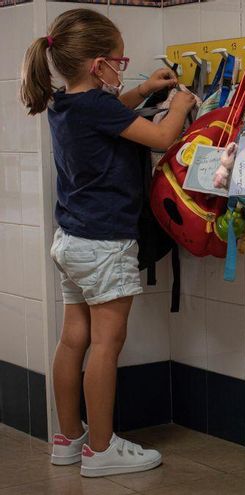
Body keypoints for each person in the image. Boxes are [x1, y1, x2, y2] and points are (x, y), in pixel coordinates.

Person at [20, 8, 196, 478]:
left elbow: (112, 112)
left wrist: (142, 89)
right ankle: (102, 450)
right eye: (119, 61)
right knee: (106, 344)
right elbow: (159, 136)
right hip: (105, 244)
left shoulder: (63, 102)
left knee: (72, 339)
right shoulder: (98, 108)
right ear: (98, 66)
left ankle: (68, 439)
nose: (123, 68)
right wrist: (178, 104)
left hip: (72, 241)